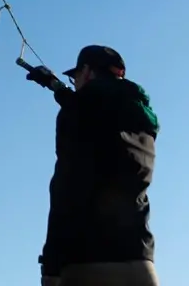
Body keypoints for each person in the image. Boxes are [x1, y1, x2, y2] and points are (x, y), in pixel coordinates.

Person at [24, 45, 160, 286]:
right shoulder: (142, 124)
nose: (74, 82)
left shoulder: (78, 113)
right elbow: (101, 111)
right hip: (140, 265)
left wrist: (51, 268)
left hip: (87, 263)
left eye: (75, 76)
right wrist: (56, 87)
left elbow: (66, 190)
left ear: (87, 71)